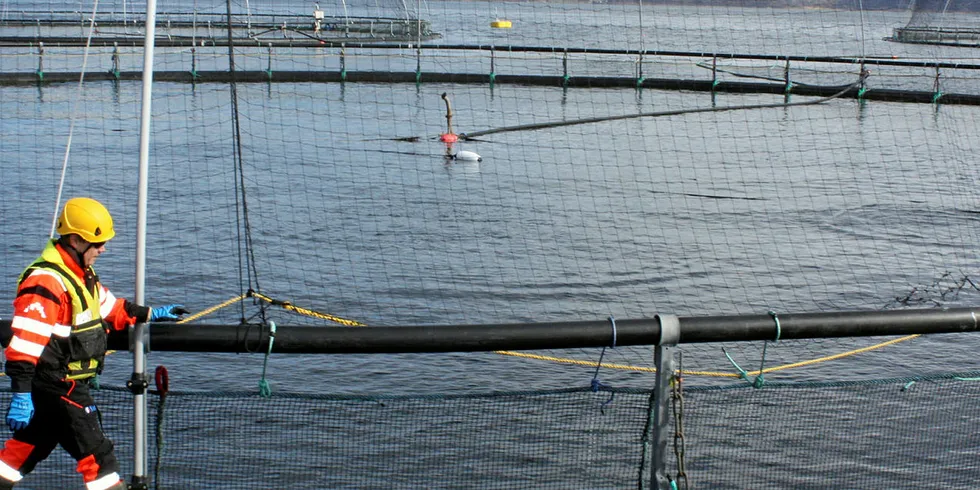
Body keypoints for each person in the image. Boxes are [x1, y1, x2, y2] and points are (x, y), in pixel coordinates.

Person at [0, 197, 187, 490]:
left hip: (61, 385)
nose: (103, 249)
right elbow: (25, 341)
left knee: (21, 452)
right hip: (59, 385)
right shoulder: (46, 282)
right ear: (75, 240)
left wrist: (150, 313)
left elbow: (108, 307)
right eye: (97, 243)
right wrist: (21, 395)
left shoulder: (80, 276)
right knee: (99, 460)